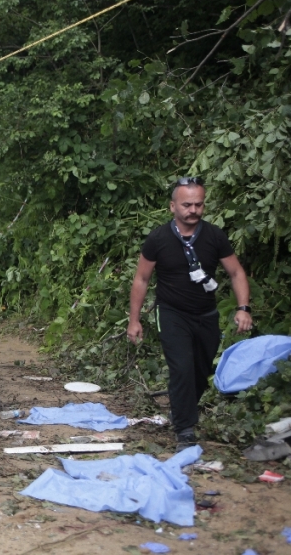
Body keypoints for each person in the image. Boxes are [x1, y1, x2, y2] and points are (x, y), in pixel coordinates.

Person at [127, 176, 253, 452]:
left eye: (198, 205)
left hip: (206, 314)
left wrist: (243, 308)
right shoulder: (158, 238)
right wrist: (134, 320)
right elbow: (141, 279)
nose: (193, 210)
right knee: (181, 368)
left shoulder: (214, 236)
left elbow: (235, 272)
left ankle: (181, 409)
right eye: (187, 205)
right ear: (173, 206)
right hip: (172, 312)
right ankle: (184, 428)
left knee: (201, 369)